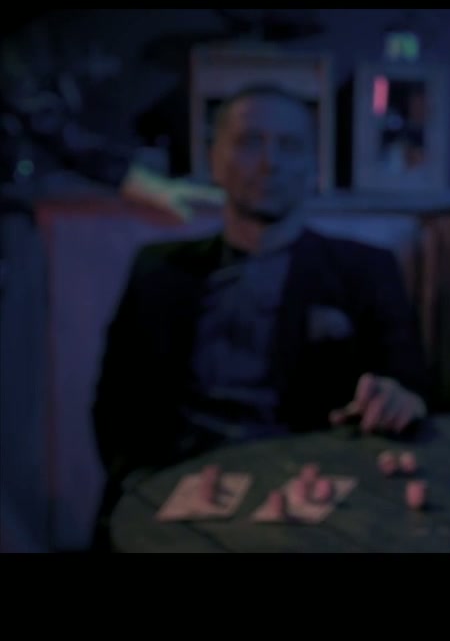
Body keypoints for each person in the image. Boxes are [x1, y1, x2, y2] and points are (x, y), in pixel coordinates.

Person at [91, 84, 430, 549]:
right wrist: (142, 484)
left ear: (312, 165)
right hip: (173, 489)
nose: (271, 162)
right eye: (251, 142)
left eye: (289, 146)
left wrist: (398, 399)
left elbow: (411, 380)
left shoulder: (365, 270)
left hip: (311, 495)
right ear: (214, 159)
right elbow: (113, 406)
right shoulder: (158, 270)